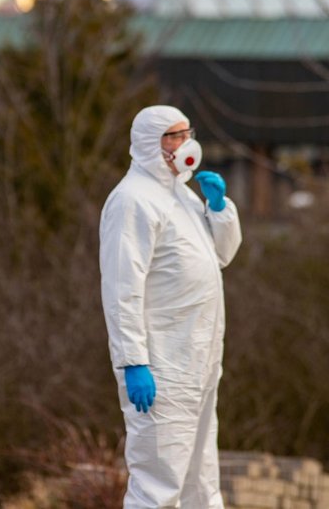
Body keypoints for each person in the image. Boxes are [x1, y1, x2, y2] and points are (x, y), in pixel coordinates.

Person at [99, 105, 243, 508]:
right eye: (173, 136)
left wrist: (219, 209)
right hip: (161, 368)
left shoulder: (180, 193)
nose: (184, 144)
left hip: (200, 363)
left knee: (201, 482)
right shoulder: (132, 201)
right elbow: (121, 288)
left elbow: (223, 255)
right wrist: (133, 361)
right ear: (149, 143)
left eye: (186, 133)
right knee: (158, 487)